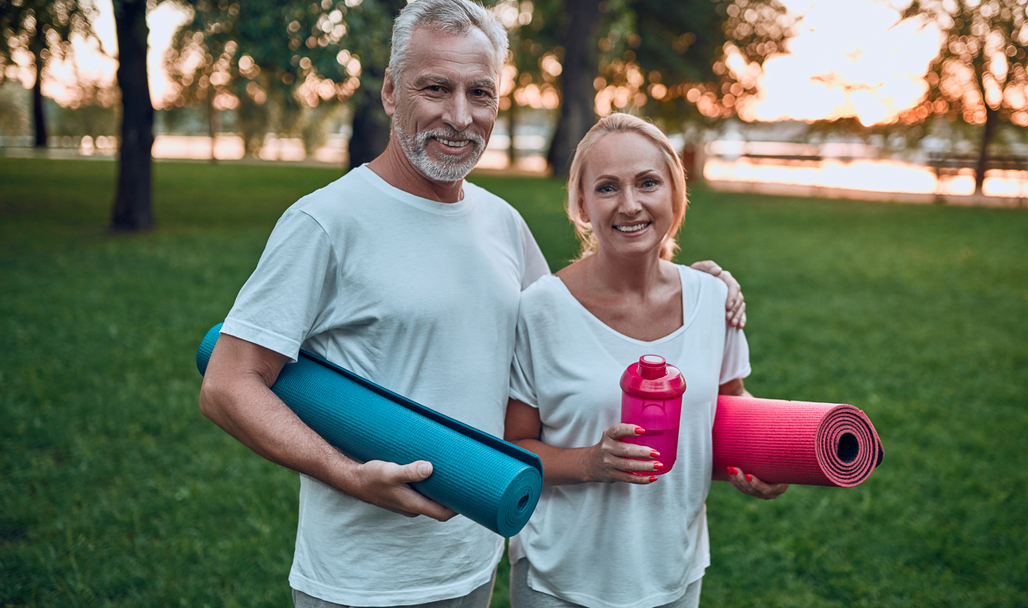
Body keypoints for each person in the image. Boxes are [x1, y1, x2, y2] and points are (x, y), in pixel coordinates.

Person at [198, 1, 745, 607]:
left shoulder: (501, 223)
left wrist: (684, 282)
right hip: (361, 581)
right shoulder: (326, 222)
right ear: (389, 92)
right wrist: (347, 474)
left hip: (476, 559)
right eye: (436, 88)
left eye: (479, 93)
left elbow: (579, 308)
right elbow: (229, 384)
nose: (459, 117)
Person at [504, 114, 789, 608]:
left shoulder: (713, 301)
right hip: (560, 580)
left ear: (675, 195)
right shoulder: (539, 310)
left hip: (674, 575)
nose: (630, 204)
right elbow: (511, 447)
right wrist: (590, 462)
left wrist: (762, 460)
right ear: (581, 204)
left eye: (648, 183)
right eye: (608, 187)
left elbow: (729, 412)